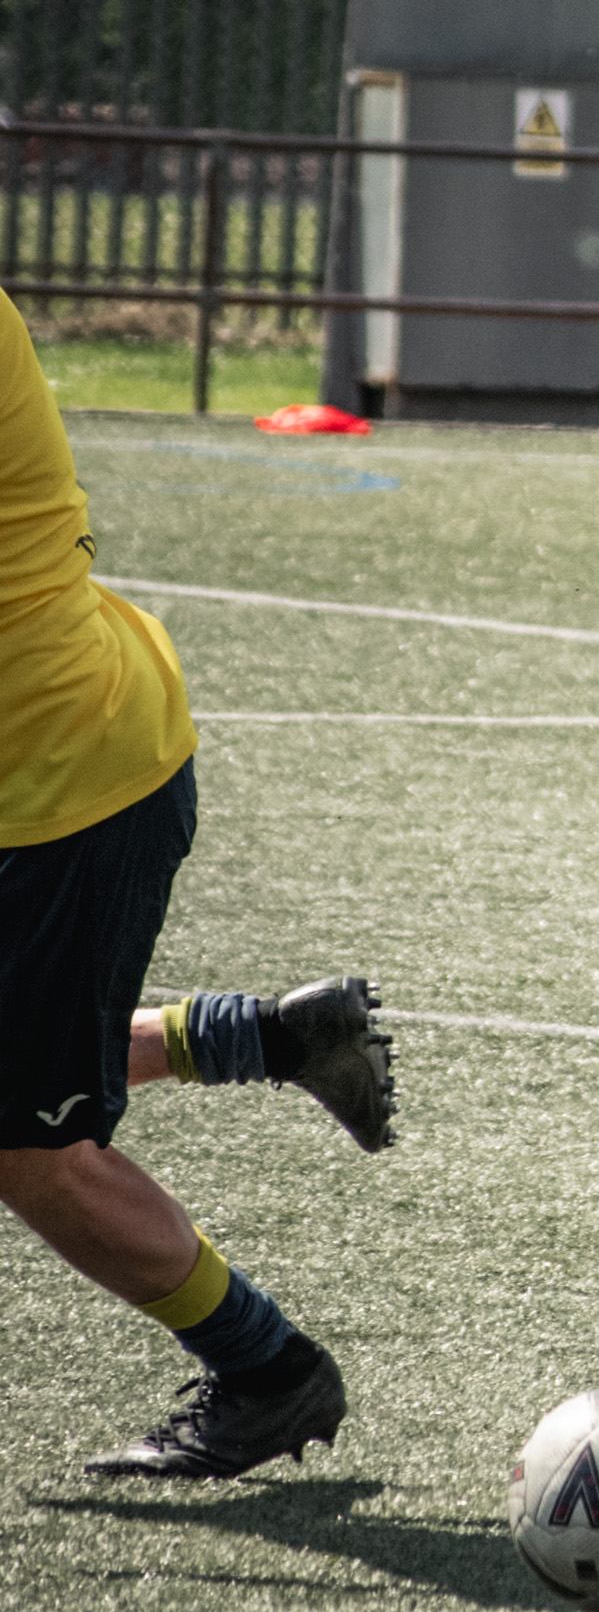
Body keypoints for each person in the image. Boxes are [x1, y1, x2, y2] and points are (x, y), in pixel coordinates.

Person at [0, 286, 397, 1481]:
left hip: (61, 785)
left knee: (27, 1152)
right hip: (55, 756)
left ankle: (267, 1371)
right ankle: (252, 1037)